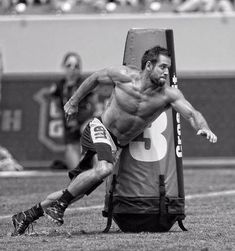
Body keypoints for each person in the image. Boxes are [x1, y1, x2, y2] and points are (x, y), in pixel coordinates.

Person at [11, 46, 217, 236]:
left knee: (75, 191)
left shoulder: (168, 95)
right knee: (104, 169)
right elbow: (95, 78)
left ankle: (27, 215)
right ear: (148, 66)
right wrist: (73, 102)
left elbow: (192, 113)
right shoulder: (124, 76)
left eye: (168, 68)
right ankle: (61, 204)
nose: (166, 72)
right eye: (162, 67)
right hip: (99, 128)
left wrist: (204, 127)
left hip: (115, 144)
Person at [49, 52, 96, 170]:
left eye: (76, 66)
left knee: (89, 130)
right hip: (70, 124)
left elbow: (93, 105)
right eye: (69, 65)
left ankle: (95, 163)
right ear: (63, 67)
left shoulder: (85, 83)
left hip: (84, 120)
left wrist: (83, 119)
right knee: (75, 169)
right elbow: (57, 103)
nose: (72, 69)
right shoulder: (59, 86)